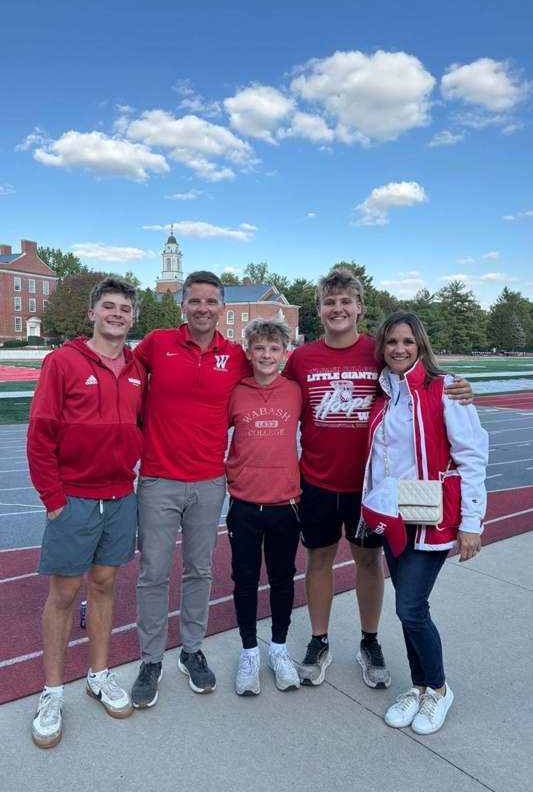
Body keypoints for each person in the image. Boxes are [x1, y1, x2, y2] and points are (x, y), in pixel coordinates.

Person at [283, 269, 472, 689]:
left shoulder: (376, 352)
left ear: (360, 308)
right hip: (316, 479)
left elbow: (417, 382)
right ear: (319, 309)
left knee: (369, 560)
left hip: (371, 487)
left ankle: (369, 641)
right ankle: (319, 639)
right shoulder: (302, 358)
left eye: (346, 302)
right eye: (329, 303)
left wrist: (458, 387)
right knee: (318, 560)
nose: (338, 309)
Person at [27, 277, 145, 748]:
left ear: (132, 317)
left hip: (120, 497)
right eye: (108, 307)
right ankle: (52, 691)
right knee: (63, 594)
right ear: (92, 314)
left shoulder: (137, 368)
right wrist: (54, 501)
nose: (117, 314)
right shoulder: (63, 361)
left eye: (124, 308)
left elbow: (138, 425)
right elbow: (39, 436)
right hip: (73, 499)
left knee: (104, 585)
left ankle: (99, 674)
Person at [361, 311, 488, 734]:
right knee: (410, 608)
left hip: (429, 510)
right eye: (392, 342)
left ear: (420, 346)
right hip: (395, 513)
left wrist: (473, 522)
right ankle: (417, 687)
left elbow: (472, 454)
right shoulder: (384, 394)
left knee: (410, 607)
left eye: (407, 342)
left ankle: (438, 690)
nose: (399, 349)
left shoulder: (445, 388)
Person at [131, 271, 249, 707]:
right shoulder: (157, 343)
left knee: (199, 570)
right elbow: (116, 371)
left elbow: (278, 373)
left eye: (210, 302)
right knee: (153, 573)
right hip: (159, 479)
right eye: (194, 301)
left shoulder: (235, 355)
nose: (202, 308)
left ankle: (192, 650)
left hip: (208, 480)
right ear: (183, 305)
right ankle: (150, 659)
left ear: (222, 308)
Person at [226, 319, 302, 696]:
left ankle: (279, 649)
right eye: (260, 348)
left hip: (285, 503)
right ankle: (249, 652)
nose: (267, 355)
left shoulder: (295, 391)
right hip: (243, 502)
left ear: (284, 354)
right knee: (244, 579)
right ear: (249, 352)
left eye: (274, 348)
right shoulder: (235, 390)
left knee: (282, 578)